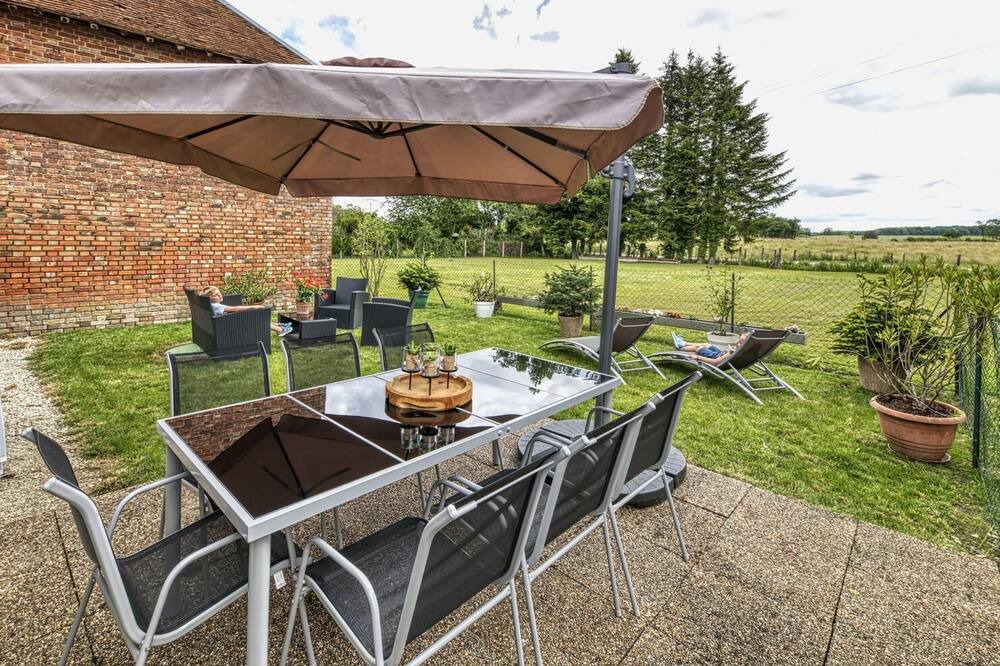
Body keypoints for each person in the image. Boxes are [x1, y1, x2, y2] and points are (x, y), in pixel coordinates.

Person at [200, 286, 291, 337]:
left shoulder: (212, 305)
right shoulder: (216, 306)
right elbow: (235, 309)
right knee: (254, 318)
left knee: (252, 315)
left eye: (219, 293)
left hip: (226, 322)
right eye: (216, 295)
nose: (220, 296)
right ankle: (280, 330)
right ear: (209, 298)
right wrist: (254, 307)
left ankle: (278, 325)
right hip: (229, 326)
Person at [671, 331, 749, 366]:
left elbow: (714, 362)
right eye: (739, 339)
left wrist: (698, 357)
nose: (737, 342)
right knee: (707, 344)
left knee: (698, 348)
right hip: (720, 353)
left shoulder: (732, 353)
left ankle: (680, 350)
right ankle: (684, 343)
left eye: (740, 342)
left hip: (713, 356)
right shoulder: (743, 352)